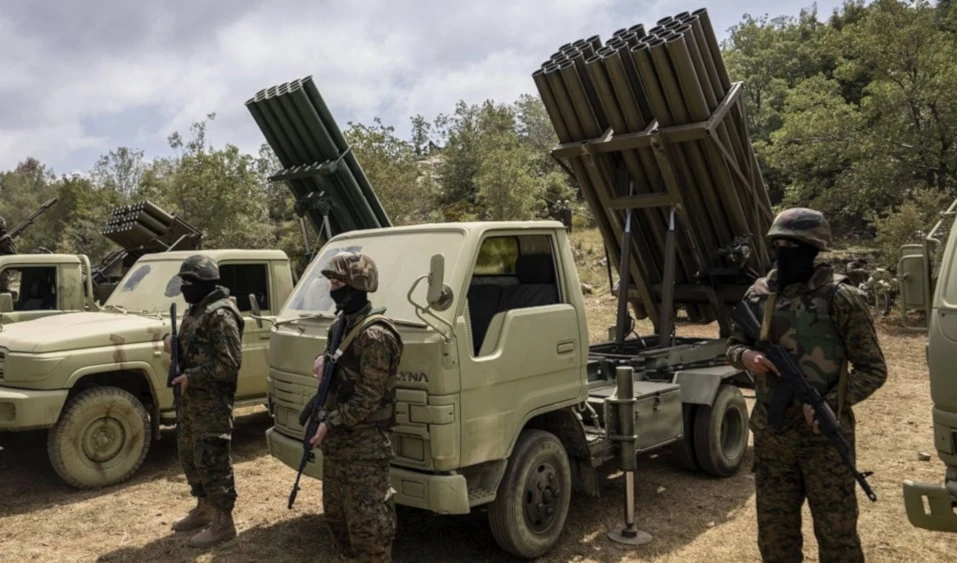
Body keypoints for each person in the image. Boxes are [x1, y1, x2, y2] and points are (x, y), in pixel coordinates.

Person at [725, 207, 887, 563]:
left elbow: (873, 369)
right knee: (775, 538)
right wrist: (745, 358)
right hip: (772, 437)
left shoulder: (841, 298)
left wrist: (830, 403)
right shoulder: (759, 295)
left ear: (814, 249)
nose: (784, 250)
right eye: (778, 243)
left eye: (793, 244)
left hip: (823, 441)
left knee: (838, 537)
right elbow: (733, 345)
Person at [308, 251, 403, 562]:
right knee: (338, 520)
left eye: (338, 283)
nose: (333, 289)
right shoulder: (341, 326)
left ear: (356, 285)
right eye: (332, 283)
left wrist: (330, 422)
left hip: (365, 446)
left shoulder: (375, 335)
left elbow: (369, 397)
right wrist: (324, 361)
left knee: (369, 528)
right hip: (338, 446)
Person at [162, 254, 245, 548]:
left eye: (188, 281)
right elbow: (195, 344)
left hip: (211, 404)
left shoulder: (220, 314)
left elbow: (230, 363)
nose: (184, 287)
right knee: (191, 456)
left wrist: (192, 377)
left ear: (203, 283)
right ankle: (204, 507)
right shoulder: (197, 309)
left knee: (213, 459)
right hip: (191, 403)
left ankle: (223, 522)